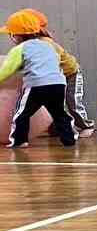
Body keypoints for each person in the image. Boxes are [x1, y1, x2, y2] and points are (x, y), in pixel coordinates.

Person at [1, 9, 75, 149]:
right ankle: (69, 140)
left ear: (15, 35)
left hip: (36, 85)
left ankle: (19, 141)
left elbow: (7, 70)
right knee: (59, 113)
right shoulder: (49, 45)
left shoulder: (20, 49)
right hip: (58, 84)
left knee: (22, 114)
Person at [32, 12, 96, 139]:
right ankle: (57, 128)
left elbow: (52, 62)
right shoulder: (31, 45)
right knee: (53, 104)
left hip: (70, 74)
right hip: (55, 77)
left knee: (72, 102)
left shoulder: (45, 43)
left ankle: (86, 126)